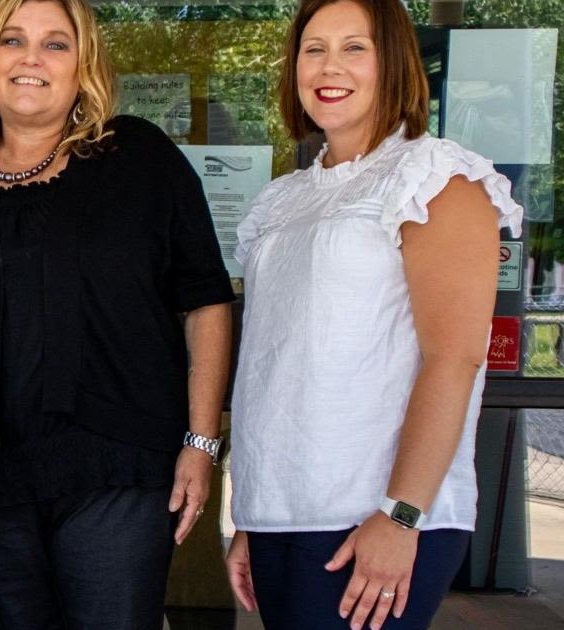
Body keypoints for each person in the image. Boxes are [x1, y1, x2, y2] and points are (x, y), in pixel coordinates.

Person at [0, 0, 234, 627]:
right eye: (13, 40)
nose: (32, 58)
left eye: (56, 44)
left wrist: (201, 441)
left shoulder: (139, 156)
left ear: (83, 66)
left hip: (121, 464)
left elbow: (205, 300)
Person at [224, 1, 523, 629]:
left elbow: (456, 357)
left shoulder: (435, 175)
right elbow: (277, 363)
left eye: (355, 47)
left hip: (378, 515)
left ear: (395, 64)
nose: (330, 66)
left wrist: (401, 514)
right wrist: (256, 515)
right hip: (284, 514)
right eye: (314, 49)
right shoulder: (285, 197)